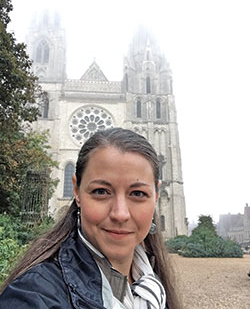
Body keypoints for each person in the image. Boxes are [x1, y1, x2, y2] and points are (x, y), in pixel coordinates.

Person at [0, 127, 181, 309]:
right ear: (76, 191)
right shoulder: (35, 295)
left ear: (156, 196)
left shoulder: (152, 285)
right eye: (101, 191)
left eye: (138, 193)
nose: (120, 213)